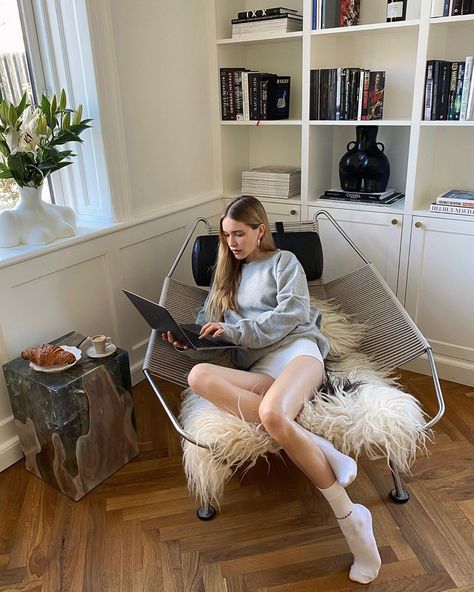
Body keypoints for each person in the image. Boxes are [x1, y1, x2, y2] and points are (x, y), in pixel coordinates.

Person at [162, 196, 381, 584]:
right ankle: (323, 447)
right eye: (226, 235)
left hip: (298, 354)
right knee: (198, 376)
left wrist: (235, 330)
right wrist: (189, 338)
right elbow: (206, 321)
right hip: (260, 369)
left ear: (260, 229)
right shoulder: (224, 274)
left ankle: (351, 518)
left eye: (240, 234)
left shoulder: (284, 263)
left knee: (271, 414)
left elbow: (293, 314)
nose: (232, 242)